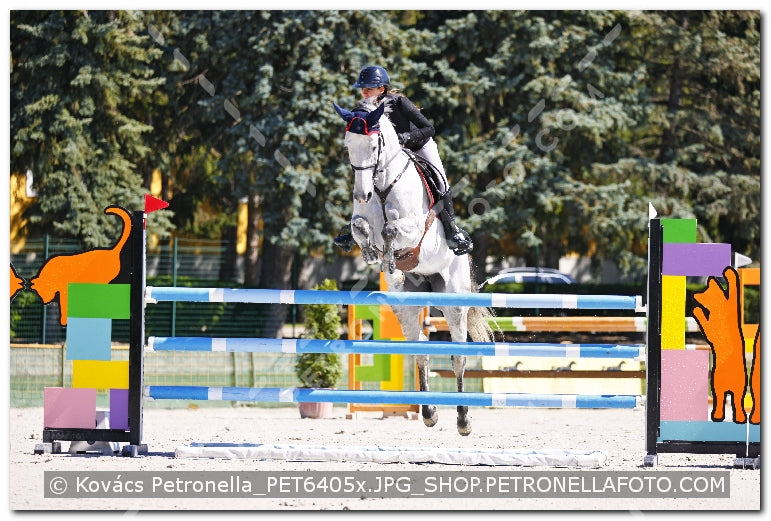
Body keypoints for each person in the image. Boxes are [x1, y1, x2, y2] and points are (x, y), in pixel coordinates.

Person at [334, 65, 473, 256]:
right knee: (364, 178)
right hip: (389, 156)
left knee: (440, 181)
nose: (364, 92)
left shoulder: (400, 102)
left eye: (368, 88)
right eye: (362, 88)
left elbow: (429, 128)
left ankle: (452, 231)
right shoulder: (362, 110)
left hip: (418, 145)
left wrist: (406, 138)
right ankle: (354, 228)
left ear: (382, 89)